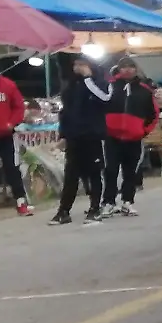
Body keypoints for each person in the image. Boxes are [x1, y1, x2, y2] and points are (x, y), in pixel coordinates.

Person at [52, 56, 110, 225]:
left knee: (94, 173)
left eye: (81, 64)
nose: (77, 68)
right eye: (75, 65)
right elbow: (65, 112)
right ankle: (64, 210)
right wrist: (63, 135)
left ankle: (95, 208)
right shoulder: (71, 86)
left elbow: (105, 98)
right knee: (71, 174)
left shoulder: (100, 83)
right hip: (74, 136)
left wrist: (87, 78)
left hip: (92, 135)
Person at [99, 57, 157, 218]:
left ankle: (127, 201)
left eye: (131, 67)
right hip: (112, 137)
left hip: (134, 138)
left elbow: (153, 114)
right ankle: (108, 202)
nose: (128, 70)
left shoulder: (145, 90)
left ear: (135, 69)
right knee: (110, 170)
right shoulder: (109, 87)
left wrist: (143, 131)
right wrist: (104, 128)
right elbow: (100, 108)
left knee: (131, 172)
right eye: (124, 67)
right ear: (119, 69)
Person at [0, 65, 33, 217]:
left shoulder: (8, 85)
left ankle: (21, 203)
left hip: (6, 135)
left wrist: (11, 123)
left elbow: (19, 107)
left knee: (12, 168)